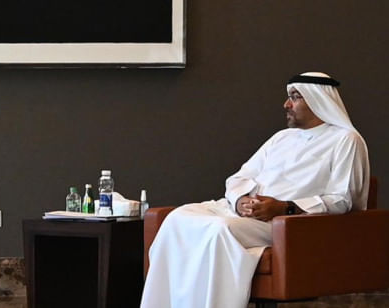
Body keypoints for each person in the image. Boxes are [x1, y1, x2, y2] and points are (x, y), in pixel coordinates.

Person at [140, 72, 370, 308]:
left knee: (220, 229)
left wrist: (284, 208)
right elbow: (239, 177)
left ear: (317, 100)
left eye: (295, 97)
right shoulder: (281, 138)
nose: (286, 104)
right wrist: (241, 200)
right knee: (176, 218)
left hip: (287, 224)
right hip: (242, 212)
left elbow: (343, 199)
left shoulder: (346, 140)